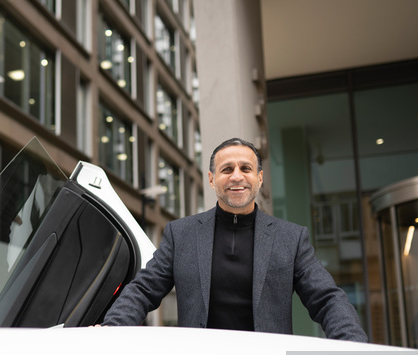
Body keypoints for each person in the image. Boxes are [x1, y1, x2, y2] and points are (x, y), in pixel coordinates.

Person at [101, 137, 367, 342]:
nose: (237, 176)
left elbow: (327, 299)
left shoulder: (291, 238)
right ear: (212, 179)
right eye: (227, 169)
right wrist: (110, 331)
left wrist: (352, 344)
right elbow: (143, 290)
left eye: (246, 168)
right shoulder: (180, 234)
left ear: (259, 178)